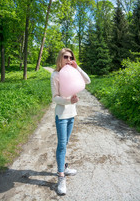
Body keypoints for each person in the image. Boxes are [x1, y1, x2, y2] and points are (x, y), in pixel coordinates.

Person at [51, 48, 91, 195]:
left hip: (71, 114)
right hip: (61, 115)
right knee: (62, 145)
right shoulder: (55, 75)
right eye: (66, 57)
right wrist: (69, 101)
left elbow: (87, 80)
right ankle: (61, 176)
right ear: (60, 58)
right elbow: (54, 97)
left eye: (71, 57)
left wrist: (77, 67)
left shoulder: (73, 71)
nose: (68, 59)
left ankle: (64, 167)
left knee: (66, 143)